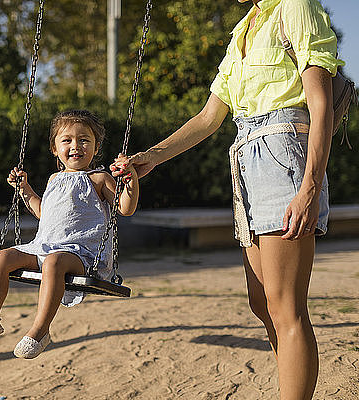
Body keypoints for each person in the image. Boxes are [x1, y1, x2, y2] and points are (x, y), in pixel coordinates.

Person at [111, 0, 343, 398]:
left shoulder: (296, 7)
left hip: (283, 153)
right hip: (246, 160)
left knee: (287, 307)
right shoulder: (243, 28)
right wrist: (151, 156)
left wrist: (309, 188)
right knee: (262, 303)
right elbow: (208, 118)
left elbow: (320, 105)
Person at [0, 110, 139, 359]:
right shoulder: (54, 178)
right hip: (43, 247)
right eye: (66, 140)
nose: (75, 145)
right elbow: (43, 212)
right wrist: (24, 189)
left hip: (81, 255)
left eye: (84, 140)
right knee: (1, 257)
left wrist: (130, 180)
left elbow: (125, 208)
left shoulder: (99, 178)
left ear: (96, 147)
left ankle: (40, 330)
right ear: (55, 148)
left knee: (55, 261)